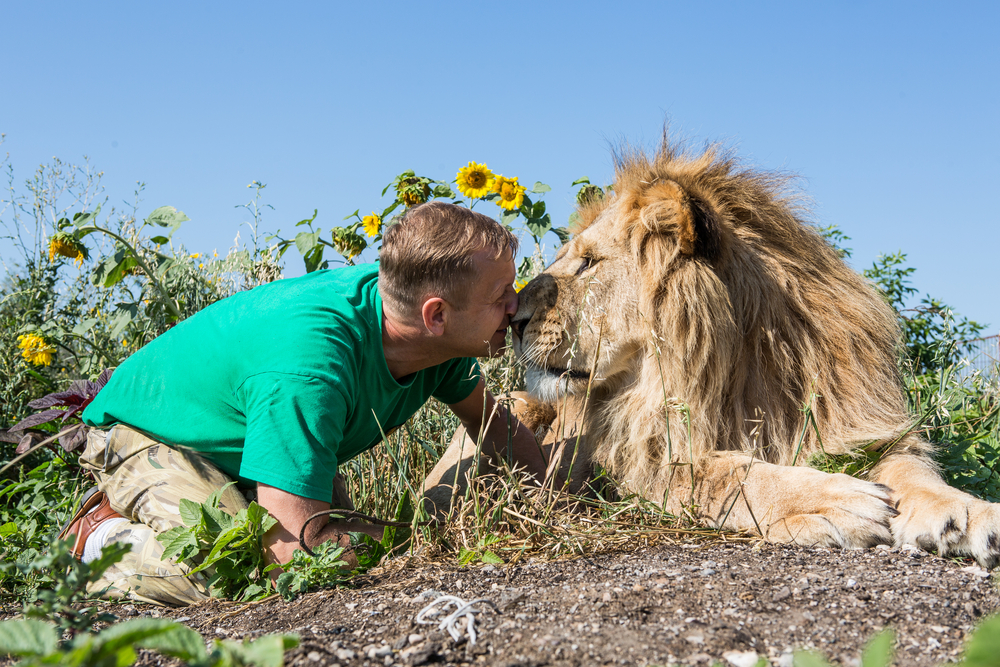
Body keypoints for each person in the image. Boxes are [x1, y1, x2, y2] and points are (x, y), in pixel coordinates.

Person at [63, 201, 547, 606]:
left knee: (349, 545)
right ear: (435, 315)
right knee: (237, 569)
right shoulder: (311, 366)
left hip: (245, 443)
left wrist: (554, 500)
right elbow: (296, 554)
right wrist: (384, 536)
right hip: (146, 434)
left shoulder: (434, 338)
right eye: (501, 296)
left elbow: (495, 428)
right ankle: (98, 544)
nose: (517, 306)